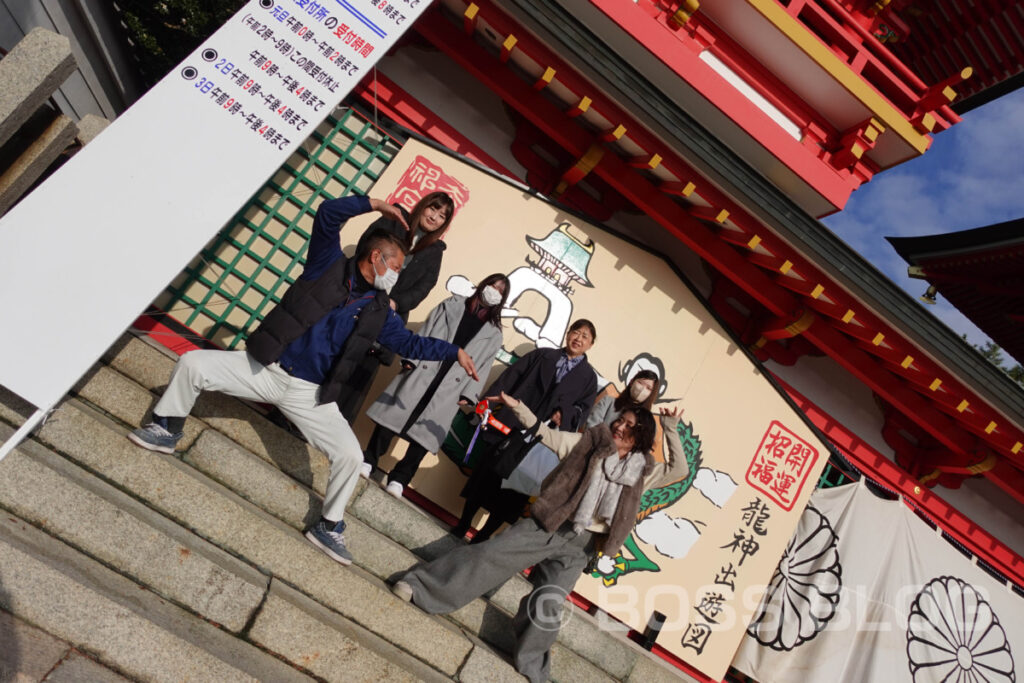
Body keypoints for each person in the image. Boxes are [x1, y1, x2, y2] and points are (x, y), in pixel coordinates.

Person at [127, 193, 479, 567]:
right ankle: (166, 427)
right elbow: (327, 215)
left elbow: (409, 342)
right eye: (394, 265)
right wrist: (374, 204)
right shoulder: (326, 265)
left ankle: (329, 526)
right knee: (194, 364)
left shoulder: (379, 309)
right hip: (266, 369)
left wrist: (452, 352)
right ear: (375, 258)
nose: (396, 273)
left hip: (309, 394)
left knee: (350, 455)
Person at [392, 391, 687, 683]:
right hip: (549, 524)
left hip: (581, 546)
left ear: (642, 435)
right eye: (620, 421)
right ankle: (419, 587)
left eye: (630, 426)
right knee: (489, 556)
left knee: (548, 602)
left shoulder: (643, 471)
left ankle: (533, 666)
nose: (620, 427)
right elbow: (546, 434)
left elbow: (679, 470)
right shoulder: (588, 443)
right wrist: (518, 406)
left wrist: (671, 428)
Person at [361, 273, 511, 498]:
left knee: (425, 434)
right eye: (493, 285)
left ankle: (400, 479)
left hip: (452, 383)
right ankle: (369, 460)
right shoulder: (452, 304)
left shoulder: (494, 333)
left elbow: (483, 365)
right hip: (425, 365)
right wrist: (411, 358)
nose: (494, 292)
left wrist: (470, 393)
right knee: (392, 417)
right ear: (483, 284)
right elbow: (427, 329)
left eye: (501, 291)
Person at [453, 320, 599, 543]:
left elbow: (583, 411)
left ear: (590, 345)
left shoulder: (588, 378)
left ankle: (483, 537)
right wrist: (487, 405)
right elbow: (510, 378)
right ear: (567, 334)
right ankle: (463, 524)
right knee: (485, 478)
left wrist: (564, 413)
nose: (578, 339)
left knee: (514, 494)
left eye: (585, 337)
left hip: (541, 441)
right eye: (575, 332)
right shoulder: (542, 355)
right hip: (511, 427)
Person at [343, 192, 456, 420]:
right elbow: (367, 245)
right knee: (332, 355)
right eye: (433, 209)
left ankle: (332, 429)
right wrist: (372, 279)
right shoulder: (394, 219)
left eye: (442, 216)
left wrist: (397, 302)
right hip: (359, 299)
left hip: (386, 317)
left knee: (357, 377)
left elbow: (425, 286)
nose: (434, 217)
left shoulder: (435, 251)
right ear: (423, 206)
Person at [587, 369, 659, 427]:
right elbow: (591, 426)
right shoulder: (608, 402)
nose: (642, 389)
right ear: (631, 382)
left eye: (648, 388)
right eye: (640, 383)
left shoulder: (648, 423)